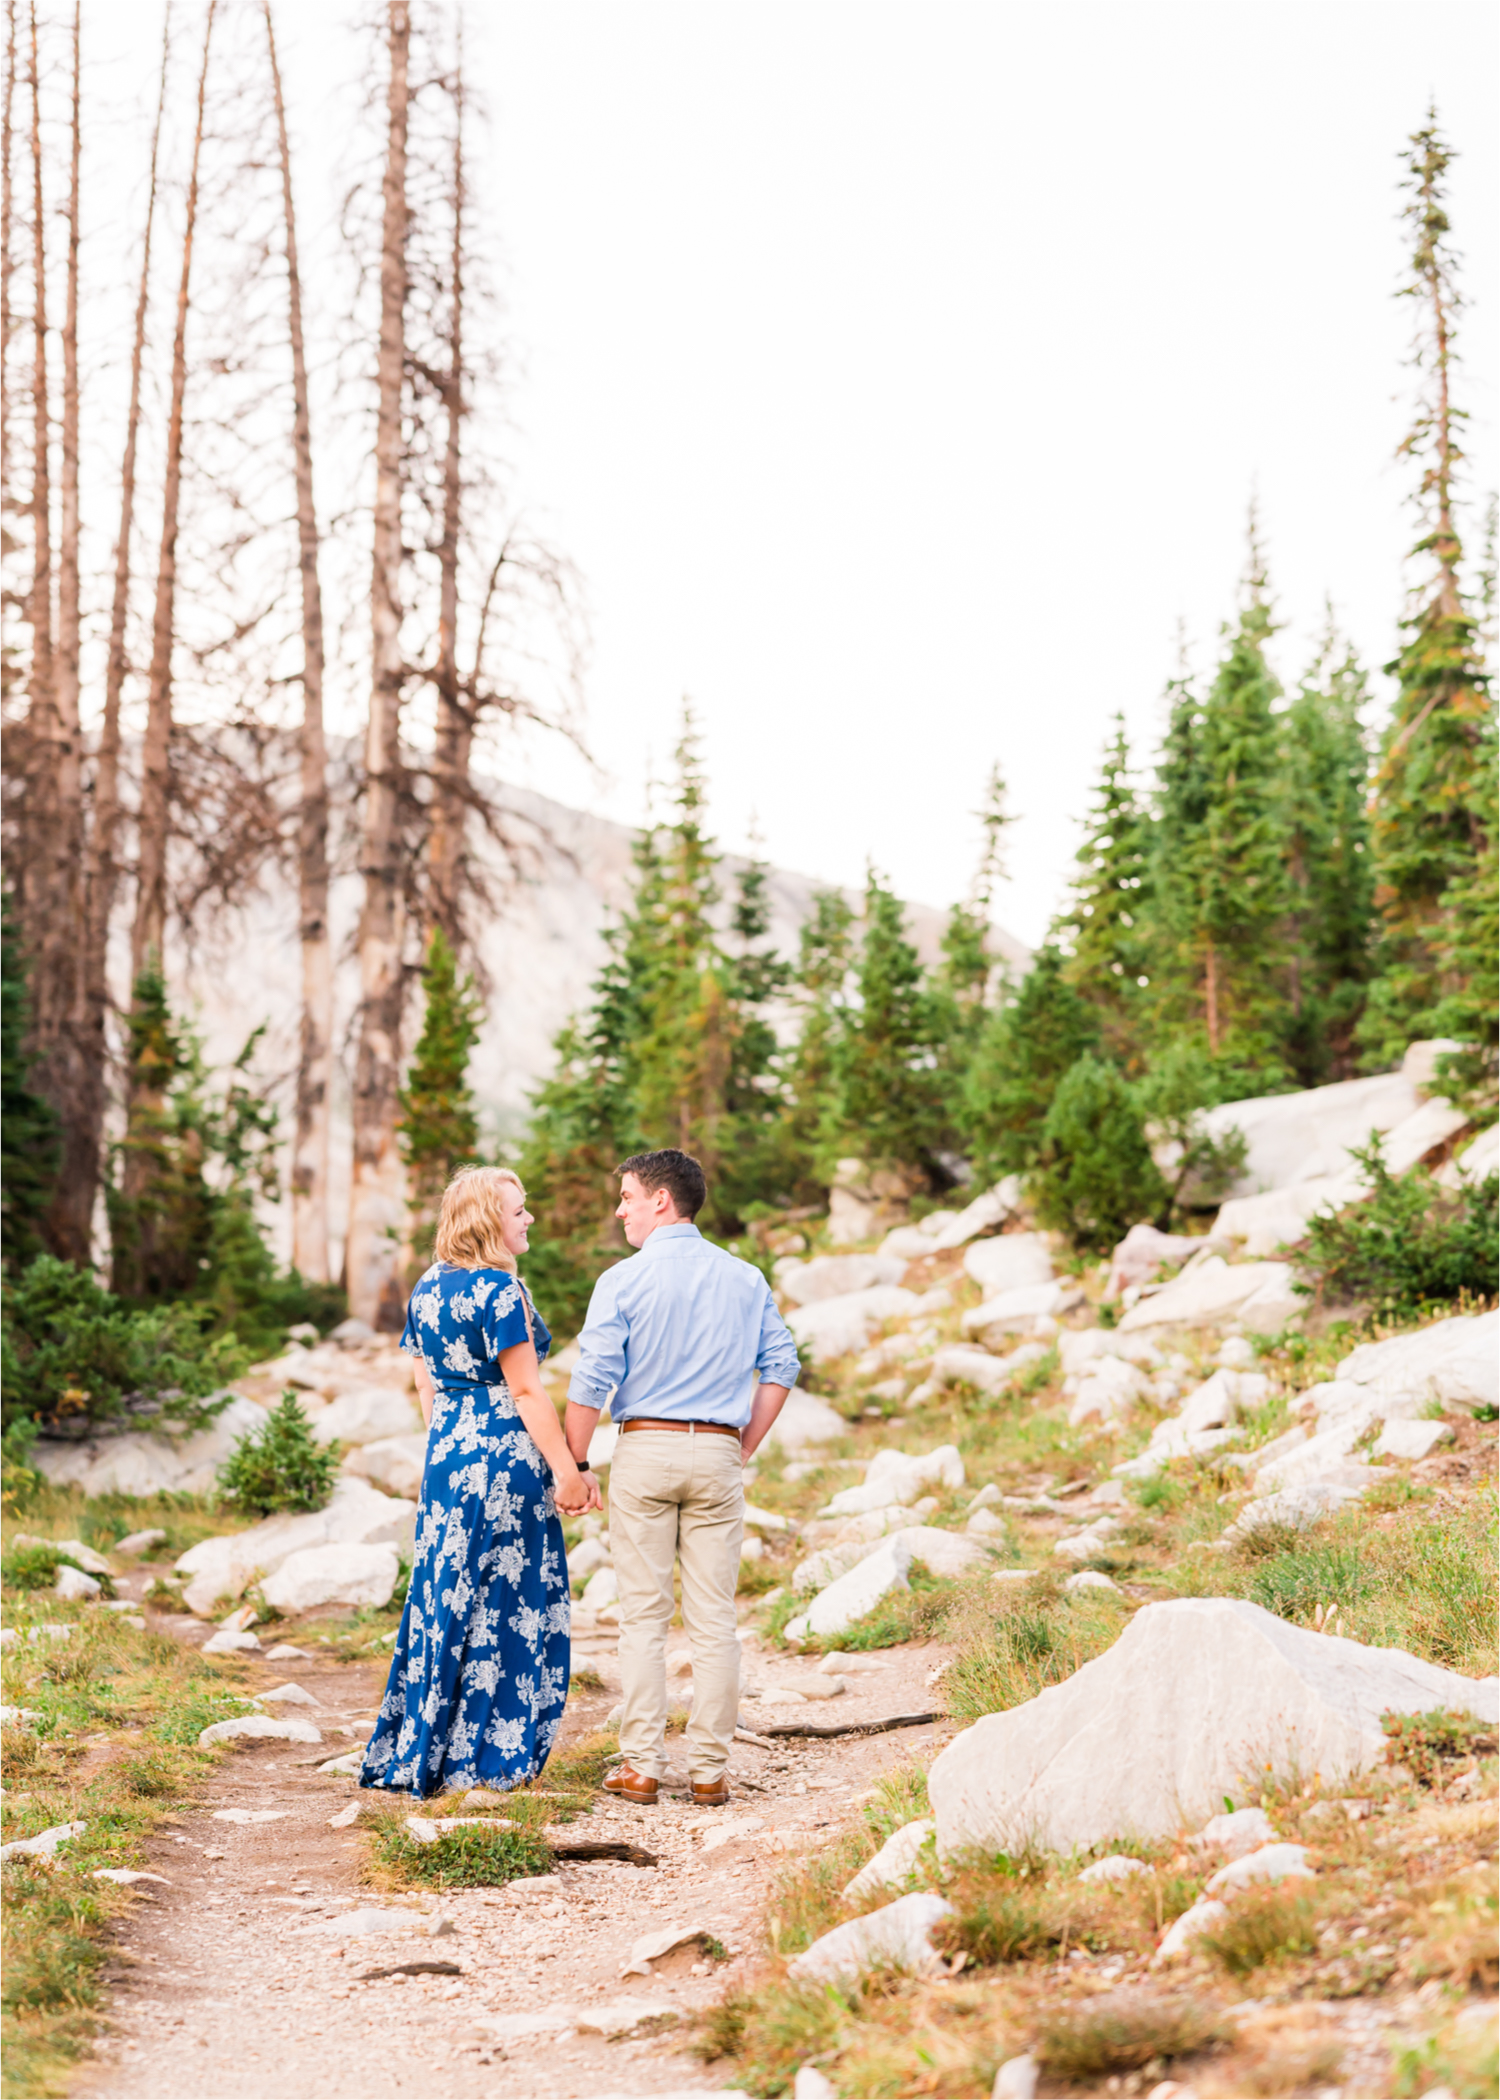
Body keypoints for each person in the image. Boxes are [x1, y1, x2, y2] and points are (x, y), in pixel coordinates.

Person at [564, 1149, 801, 1806]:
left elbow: (593, 1380)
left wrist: (576, 1466)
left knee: (643, 1616)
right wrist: (741, 1445)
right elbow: (782, 1365)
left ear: (661, 1201)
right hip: (717, 1453)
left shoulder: (623, 1280)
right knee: (714, 1620)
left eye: (629, 1197)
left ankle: (641, 1766)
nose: (621, 1210)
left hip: (644, 1450)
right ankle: (709, 1771)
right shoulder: (745, 1277)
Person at [361, 1166, 600, 1799]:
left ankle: (424, 1749)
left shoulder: (427, 1288)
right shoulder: (501, 1292)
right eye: (518, 1211)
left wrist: (453, 1445)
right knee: (506, 1601)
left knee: (444, 1596)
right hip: (505, 1458)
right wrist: (567, 1470)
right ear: (489, 1221)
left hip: (448, 1459)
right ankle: (488, 1756)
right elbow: (524, 1389)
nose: (529, 1220)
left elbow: (424, 1384)